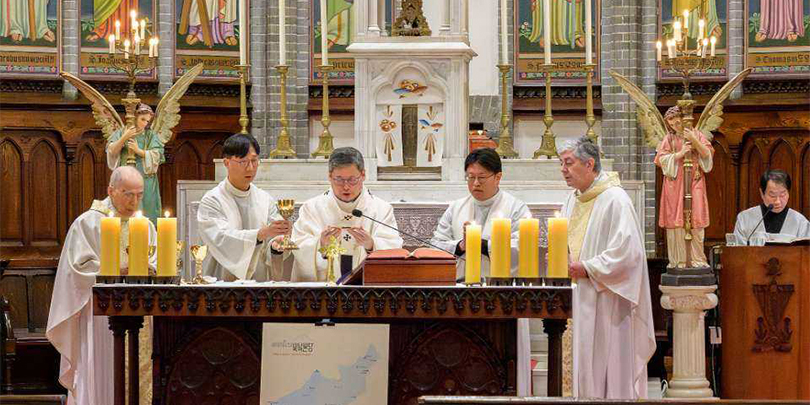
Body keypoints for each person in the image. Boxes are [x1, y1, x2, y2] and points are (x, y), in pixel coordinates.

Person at [46, 166, 157, 405]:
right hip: (100, 317)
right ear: (111, 190)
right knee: (104, 371)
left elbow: (157, 261)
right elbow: (77, 270)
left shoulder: (145, 225)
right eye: (128, 194)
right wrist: (115, 271)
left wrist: (152, 269)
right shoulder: (89, 223)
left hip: (141, 313)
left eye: (139, 194)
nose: (135, 201)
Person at [430, 147, 533, 396]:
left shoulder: (516, 209)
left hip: (502, 296)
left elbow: (523, 247)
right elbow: (435, 244)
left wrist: (485, 245)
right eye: (470, 177)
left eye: (481, 177)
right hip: (461, 295)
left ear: (498, 177)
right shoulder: (456, 208)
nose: (475, 183)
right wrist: (460, 245)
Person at [559, 137, 655, 399]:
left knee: (607, 367)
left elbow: (629, 254)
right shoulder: (572, 200)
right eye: (561, 163)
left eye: (569, 163)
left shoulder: (615, 199)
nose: (563, 169)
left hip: (608, 302)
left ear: (589, 164)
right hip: (577, 298)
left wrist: (587, 268)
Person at [291, 147, 403, 281]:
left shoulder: (381, 209)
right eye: (339, 179)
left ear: (363, 175)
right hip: (324, 295)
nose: (346, 187)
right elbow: (299, 248)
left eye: (352, 180)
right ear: (329, 176)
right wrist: (321, 244)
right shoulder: (312, 208)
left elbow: (393, 248)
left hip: (367, 294)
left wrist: (371, 245)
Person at [197, 133, 292, 281]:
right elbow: (221, 238)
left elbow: (273, 239)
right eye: (243, 162)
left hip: (258, 283)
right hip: (221, 282)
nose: (250, 168)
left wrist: (276, 245)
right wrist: (259, 234)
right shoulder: (212, 200)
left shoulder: (264, 199)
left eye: (254, 161)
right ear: (226, 162)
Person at [654, 105, 714, 268]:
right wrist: (680, 154)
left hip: (694, 181)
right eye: (671, 124)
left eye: (677, 123)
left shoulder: (697, 135)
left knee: (696, 217)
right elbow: (660, 160)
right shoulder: (669, 139)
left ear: (684, 120)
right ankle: (679, 260)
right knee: (676, 220)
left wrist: (694, 141)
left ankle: (697, 259)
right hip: (674, 184)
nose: (675, 127)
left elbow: (708, 156)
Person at [106, 103, 165, 224]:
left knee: (146, 209)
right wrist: (124, 137)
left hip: (146, 179)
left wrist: (139, 151)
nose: (145, 123)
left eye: (147, 121)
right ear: (135, 118)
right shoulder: (122, 132)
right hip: (125, 179)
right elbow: (111, 151)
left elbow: (158, 155)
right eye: (142, 119)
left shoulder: (150, 135)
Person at [733, 170, 810, 245]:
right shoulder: (745, 218)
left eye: (782, 195)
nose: (777, 201)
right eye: (772, 195)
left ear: (788, 193)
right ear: (762, 193)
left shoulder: (800, 222)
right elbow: (738, 253)